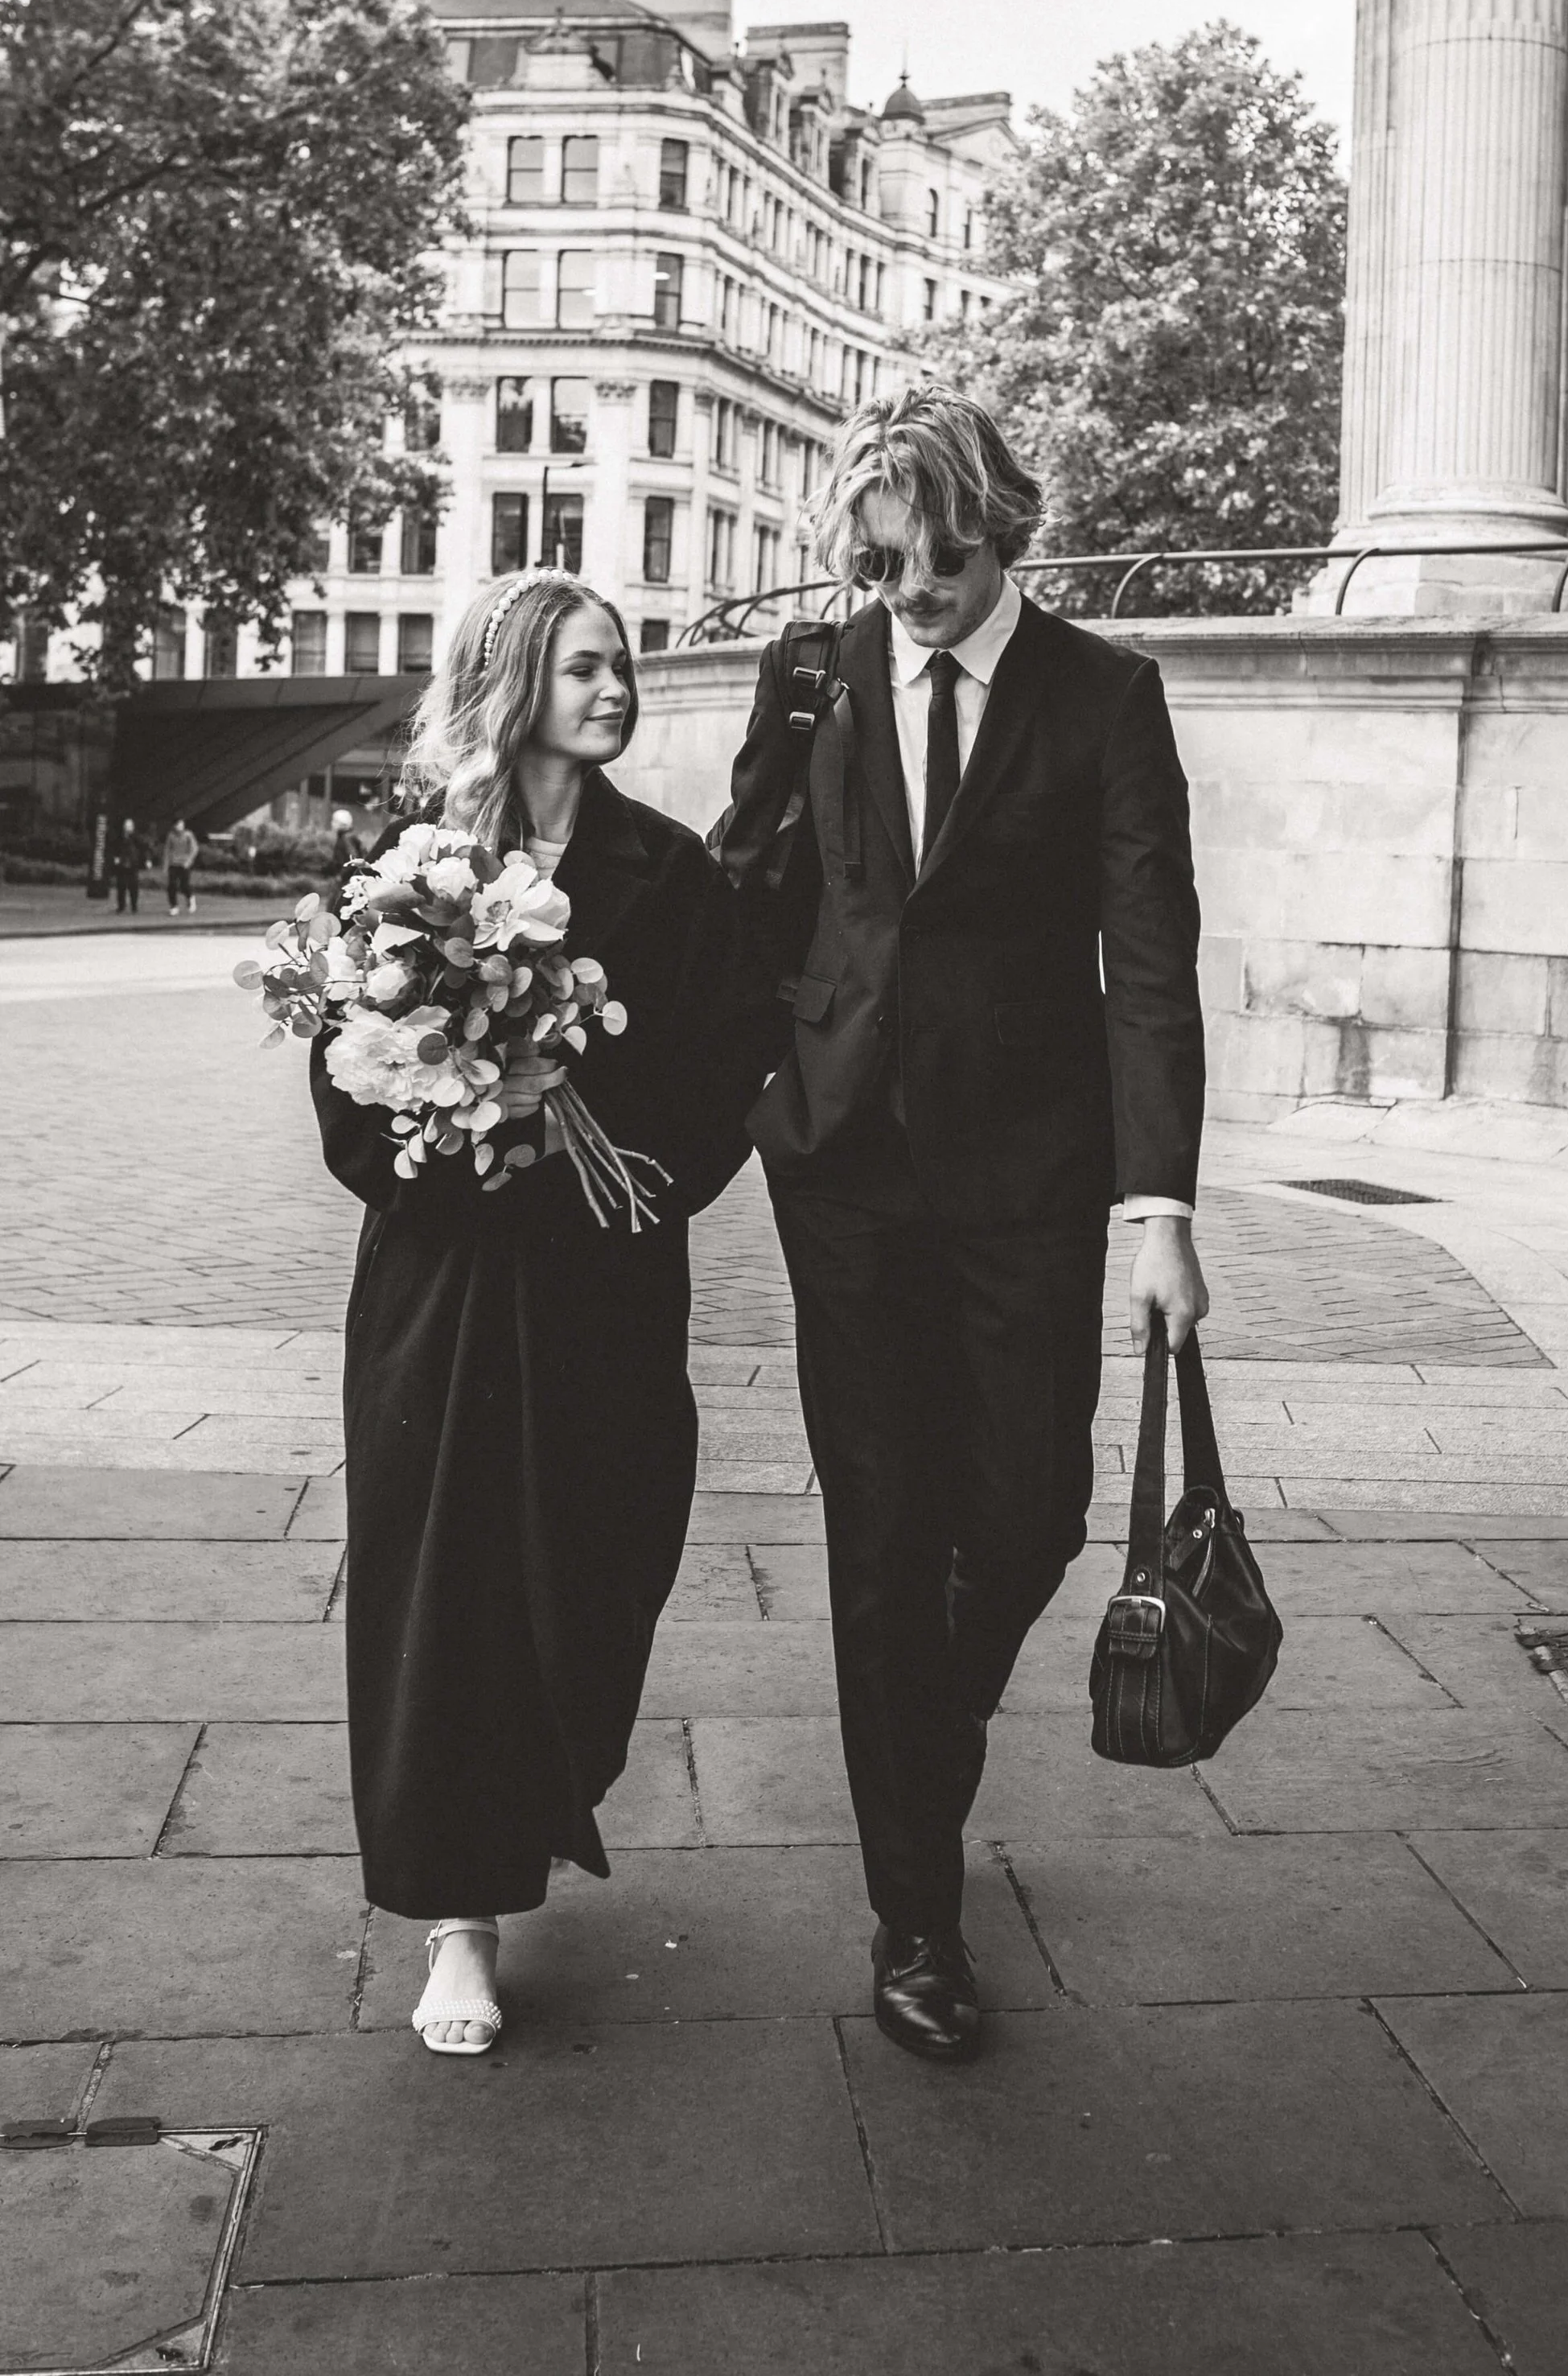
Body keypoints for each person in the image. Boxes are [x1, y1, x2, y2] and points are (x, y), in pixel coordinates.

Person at [718, 385, 1208, 2064]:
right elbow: (748, 886)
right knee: (879, 1523)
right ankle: (913, 1913)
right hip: (841, 1166)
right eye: (881, 564)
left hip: (1027, 1175)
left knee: (1026, 1515)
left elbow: (1146, 961)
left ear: (1010, 535)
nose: (909, 591)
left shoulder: (1104, 697)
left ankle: (917, 1761)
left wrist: (1160, 1209)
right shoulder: (813, 674)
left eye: (940, 560)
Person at [310, 566, 773, 2056]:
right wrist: (455, 1125)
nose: (615, 688)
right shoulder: (415, 863)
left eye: (624, 663)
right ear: (515, 684)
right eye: (584, 667)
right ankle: (461, 1914)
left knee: (599, 1564)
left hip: (605, 1280)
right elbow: (343, 1079)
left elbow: (724, 1075)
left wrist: (612, 1168)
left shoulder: (673, 870)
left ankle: (536, 1791)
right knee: (446, 1593)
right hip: (444, 1289)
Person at [163, 817, 198, 916]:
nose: (180, 827)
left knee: (184, 885)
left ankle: (190, 898)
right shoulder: (171, 836)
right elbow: (167, 851)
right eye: (178, 825)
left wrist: (188, 861)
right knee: (172, 885)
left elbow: (194, 849)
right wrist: (165, 866)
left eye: (182, 824)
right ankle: (174, 906)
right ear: (175, 826)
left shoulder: (188, 835)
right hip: (173, 863)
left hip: (184, 864)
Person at [112, 818, 144, 916]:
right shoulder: (120, 837)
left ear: (133, 827)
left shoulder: (136, 837)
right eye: (126, 826)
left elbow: (142, 848)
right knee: (121, 885)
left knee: (133, 886)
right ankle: (121, 906)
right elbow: (116, 847)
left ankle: (134, 906)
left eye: (129, 826)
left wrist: (143, 860)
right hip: (122, 863)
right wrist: (116, 858)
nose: (128, 828)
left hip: (133, 863)